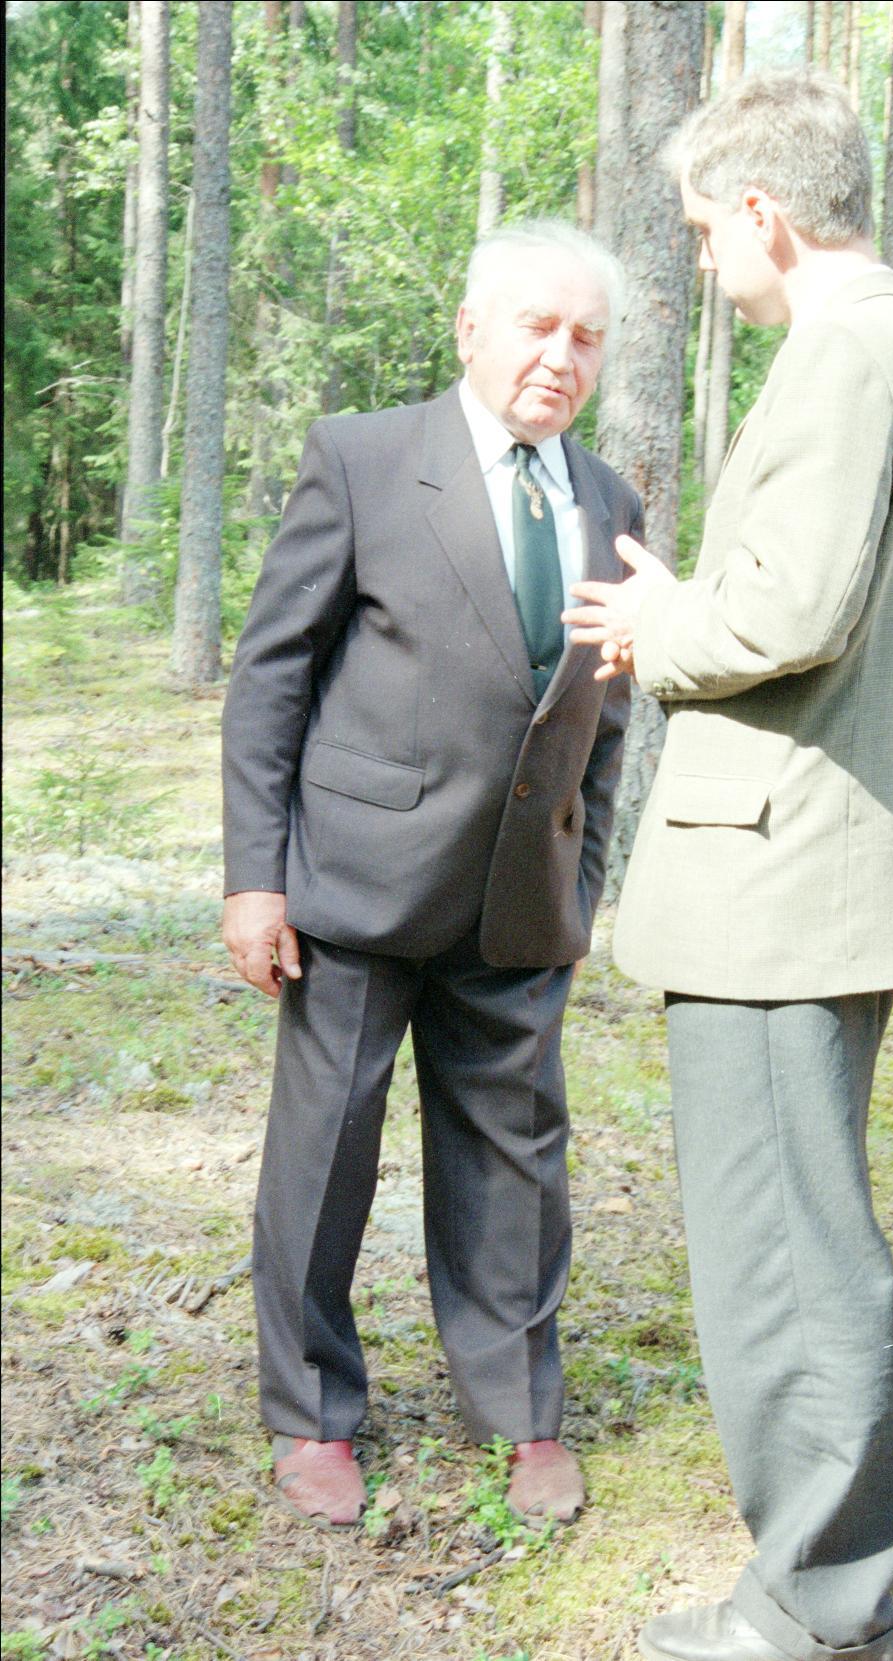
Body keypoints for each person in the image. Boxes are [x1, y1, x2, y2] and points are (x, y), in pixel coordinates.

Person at [564, 72, 893, 1661]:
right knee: (795, 1239)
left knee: (786, 1259)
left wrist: (654, 619)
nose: (703, 260)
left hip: (779, 882)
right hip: (805, 869)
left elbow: (790, 614)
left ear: (762, 212)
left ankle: (814, 1603)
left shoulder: (846, 354)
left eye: (702, 231)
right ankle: (826, 1578)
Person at [221, 221, 641, 1530]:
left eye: (585, 338)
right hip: (356, 887)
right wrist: (254, 878)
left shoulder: (610, 503)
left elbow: (605, 722)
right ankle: (313, 1412)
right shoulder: (363, 459)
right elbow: (273, 673)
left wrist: (584, 876)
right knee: (325, 1154)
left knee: (517, 1163)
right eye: (536, 326)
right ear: (470, 329)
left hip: (520, 900)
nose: (559, 357)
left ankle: (520, 1410)